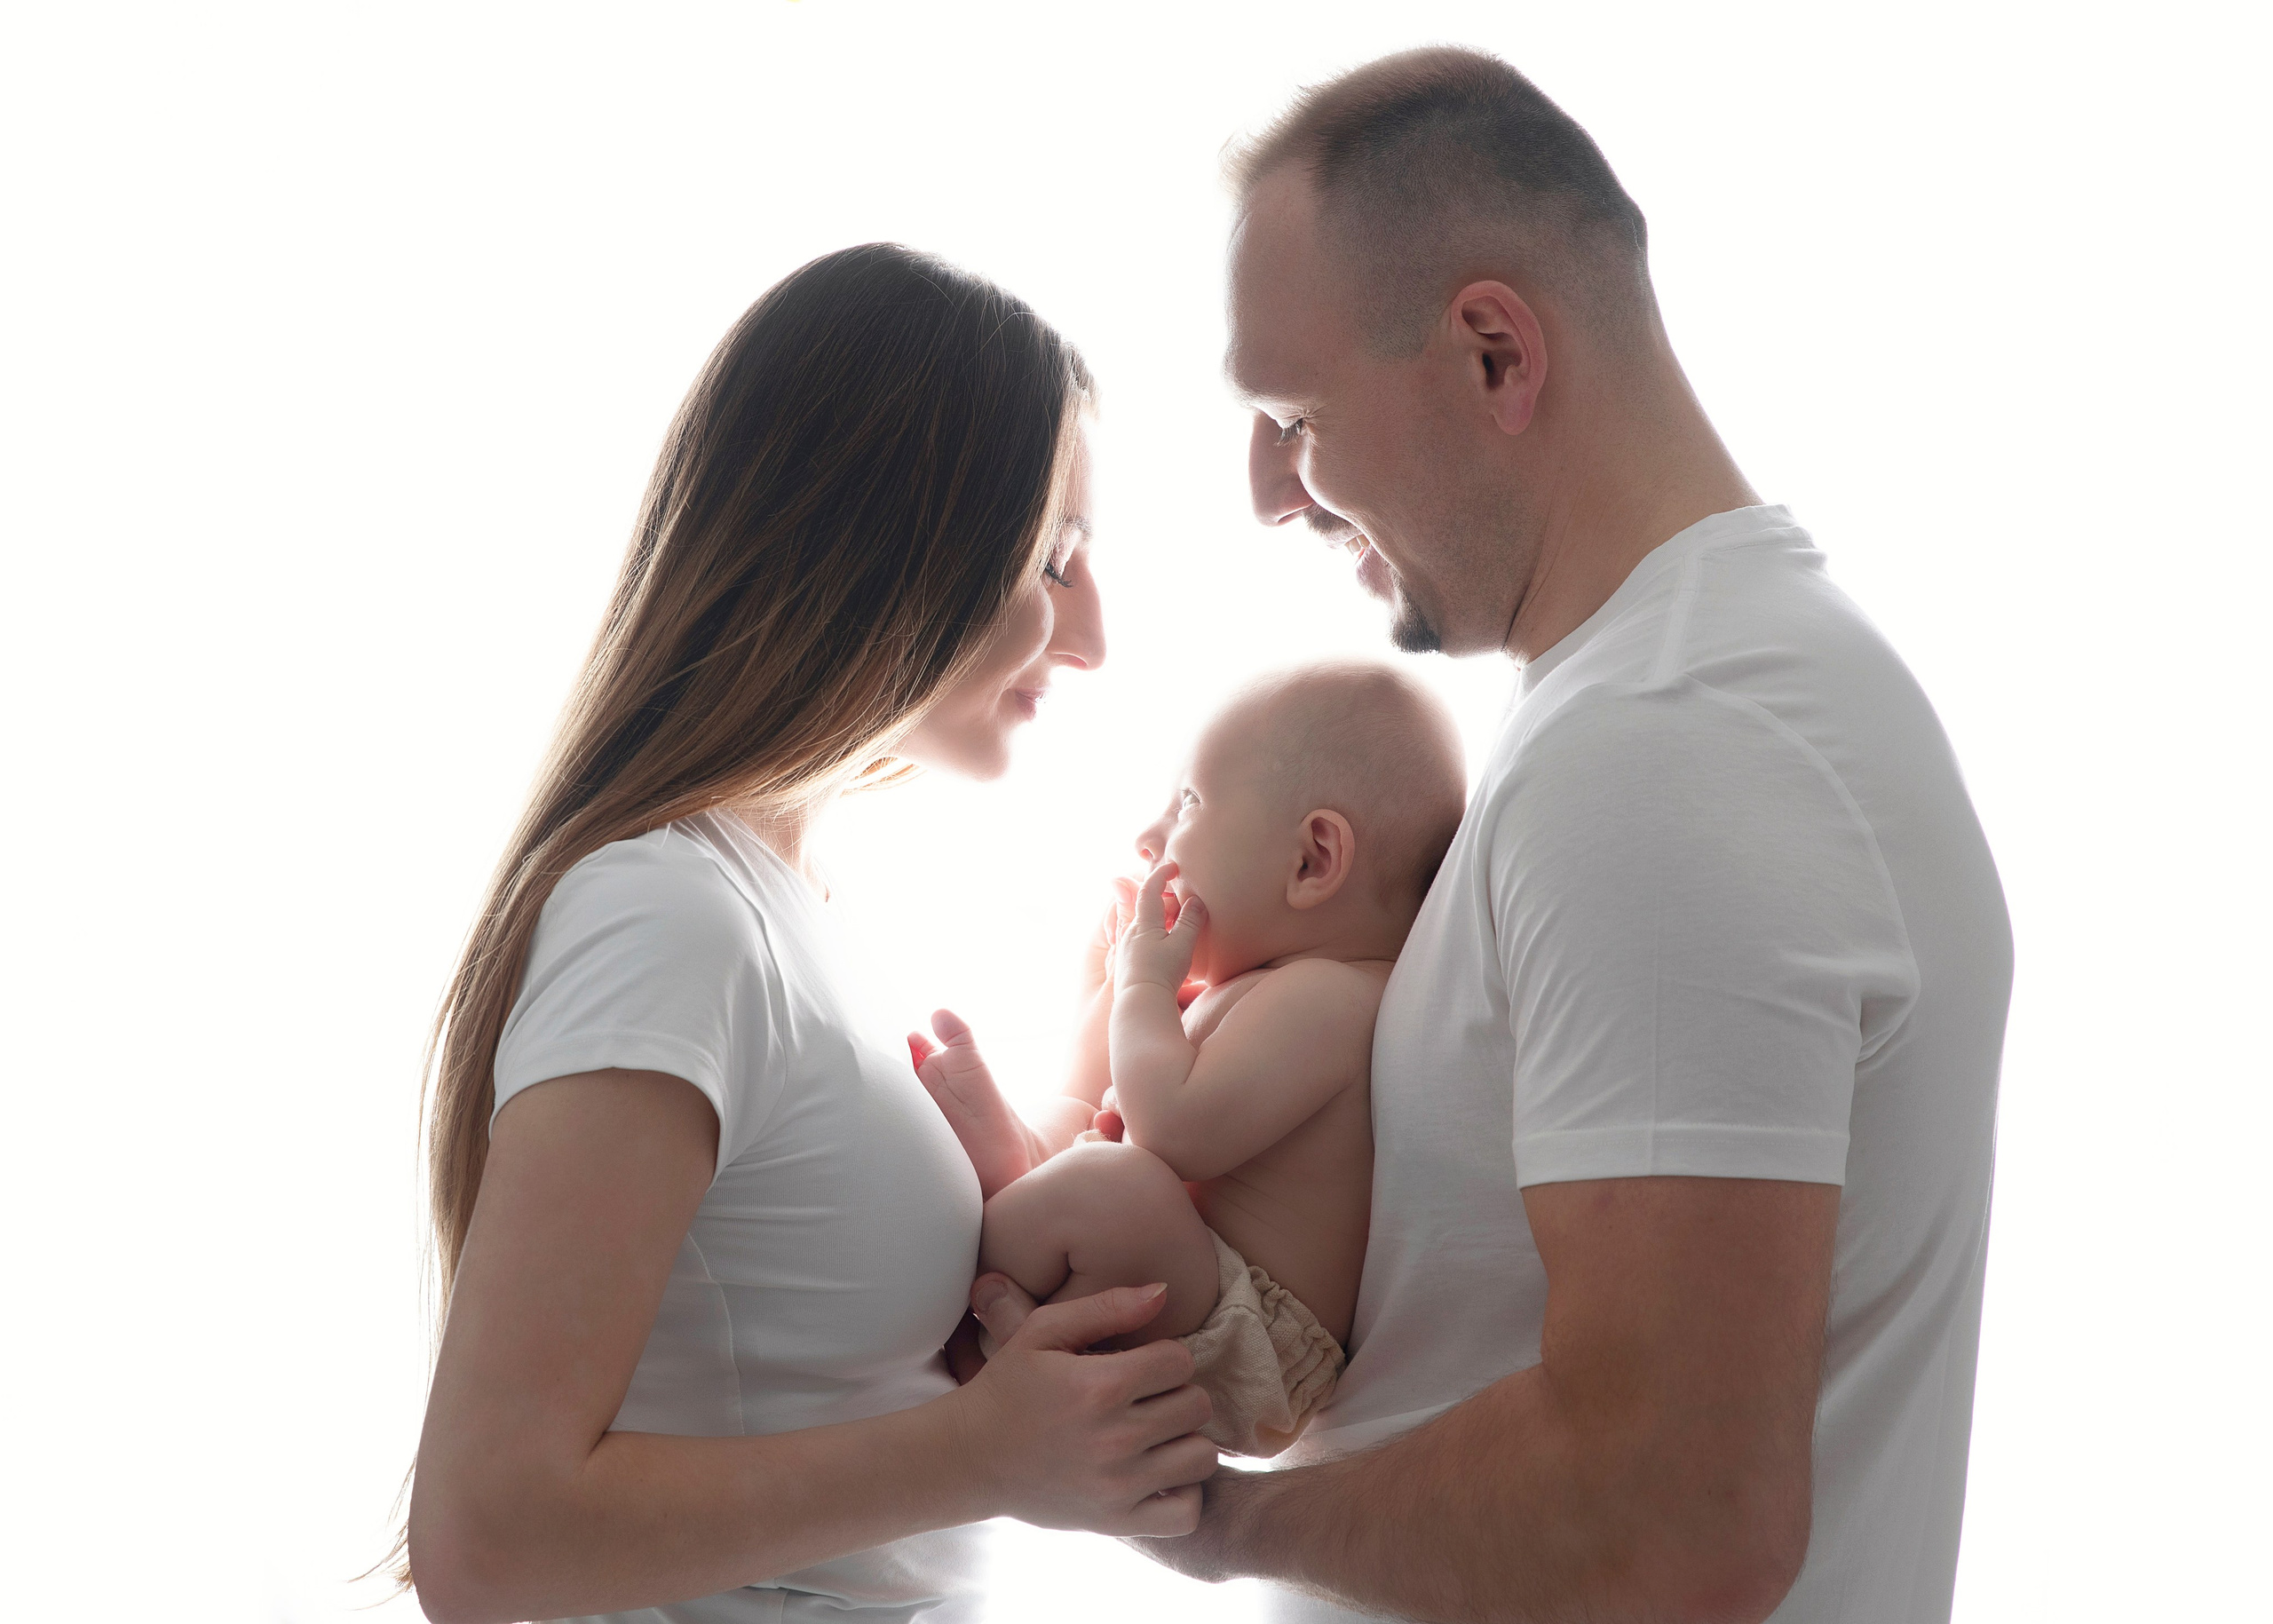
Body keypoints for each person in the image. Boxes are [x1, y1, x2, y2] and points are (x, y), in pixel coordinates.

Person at [965, 48, 2013, 1624]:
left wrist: (1214, 1525)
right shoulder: (1697, 700)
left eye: (1294, 413)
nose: (1268, 491)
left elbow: (1675, 1513)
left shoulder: (1666, 749)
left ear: (1494, 354)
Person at [400, 242, 1218, 1624]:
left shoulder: (786, 916)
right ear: (892, 544)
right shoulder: (665, 913)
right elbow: (488, 1540)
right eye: (1057, 557)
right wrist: (981, 1449)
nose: (1091, 637)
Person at [928, 663, 1464, 1458]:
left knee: (1117, 1181)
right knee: (1100, 1141)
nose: (1150, 838)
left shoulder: (1331, 998)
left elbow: (1172, 1130)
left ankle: (963, 1224)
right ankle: (1011, 1171)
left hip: (1248, 1341)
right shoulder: (1270, 986)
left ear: (1313, 860)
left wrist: (1143, 984)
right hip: (1191, 1283)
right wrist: (1113, 997)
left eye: (1188, 803)